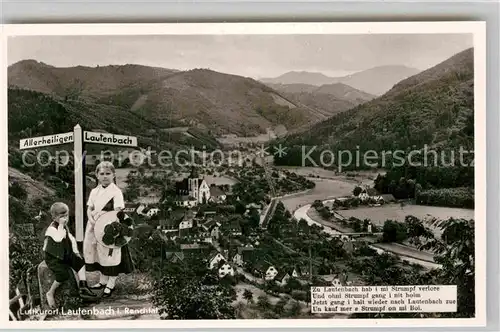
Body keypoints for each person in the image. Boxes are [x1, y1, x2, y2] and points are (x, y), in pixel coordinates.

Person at [83, 161, 134, 298]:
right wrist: (92, 220)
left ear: (113, 175)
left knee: (110, 254)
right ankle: (103, 280)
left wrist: (105, 221)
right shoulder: (94, 191)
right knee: (99, 254)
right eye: (102, 174)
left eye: (108, 174)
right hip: (94, 226)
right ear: (97, 176)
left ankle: (111, 283)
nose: (105, 176)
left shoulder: (116, 192)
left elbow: (117, 211)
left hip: (110, 226)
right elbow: (90, 208)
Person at [43, 202, 97, 308]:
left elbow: (71, 239)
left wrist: (76, 252)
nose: (65, 219)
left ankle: (83, 286)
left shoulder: (64, 227)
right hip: (54, 257)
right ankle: (50, 292)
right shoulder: (52, 229)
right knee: (62, 274)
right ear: (54, 217)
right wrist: (61, 225)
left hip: (64, 254)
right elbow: (58, 238)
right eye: (62, 216)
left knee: (80, 262)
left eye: (66, 216)